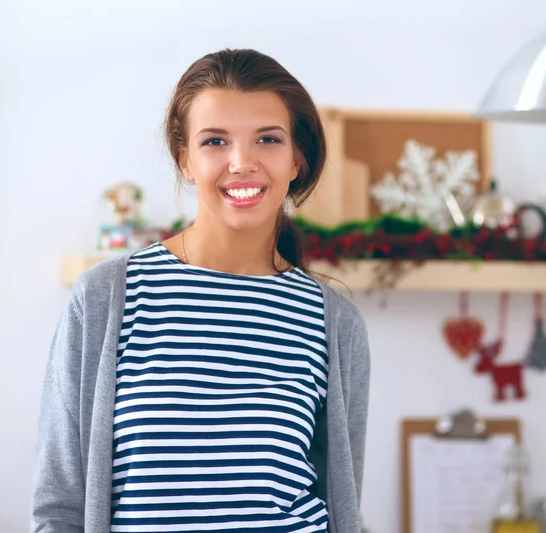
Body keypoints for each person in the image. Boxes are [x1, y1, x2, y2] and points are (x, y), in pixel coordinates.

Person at [32, 48, 371, 533]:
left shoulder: (333, 322)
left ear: (297, 158)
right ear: (185, 159)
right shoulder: (106, 297)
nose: (241, 162)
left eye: (267, 139)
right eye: (215, 141)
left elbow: (342, 507)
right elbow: (58, 507)